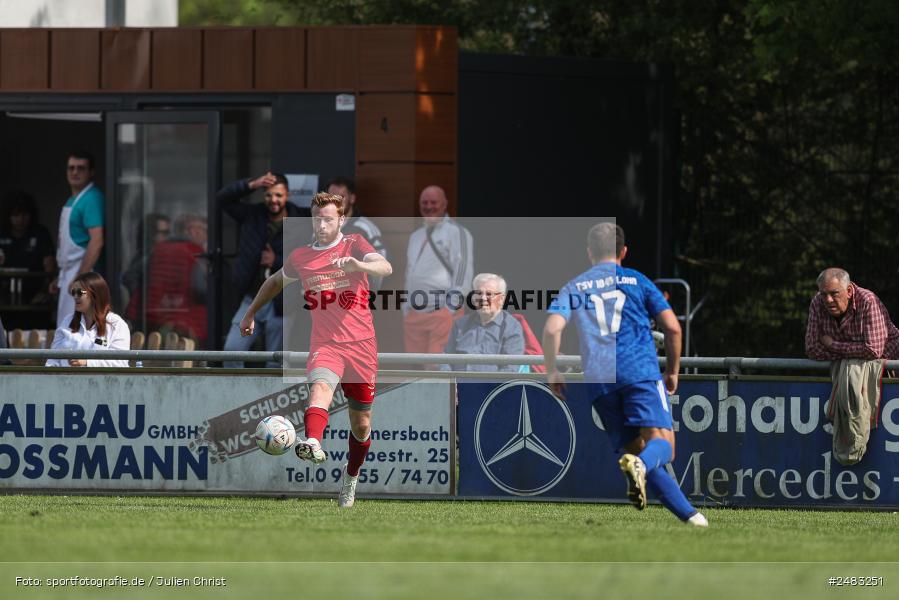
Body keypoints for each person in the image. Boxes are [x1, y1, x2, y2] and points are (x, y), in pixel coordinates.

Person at [542, 223, 707, 527]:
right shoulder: (639, 281)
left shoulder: (575, 285)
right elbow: (672, 327)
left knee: (639, 452)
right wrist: (672, 371)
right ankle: (642, 468)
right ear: (624, 251)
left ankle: (693, 518)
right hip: (638, 371)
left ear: (590, 252)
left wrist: (552, 369)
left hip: (600, 382)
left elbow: (552, 328)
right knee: (663, 447)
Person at [238, 192, 392, 508]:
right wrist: (250, 312)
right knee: (320, 387)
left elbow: (385, 267)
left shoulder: (354, 244)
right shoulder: (302, 256)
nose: (322, 224)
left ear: (342, 220)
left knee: (361, 424)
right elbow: (275, 283)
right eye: (317, 218)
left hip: (362, 346)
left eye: (328, 219)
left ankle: (350, 480)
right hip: (326, 344)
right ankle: (312, 441)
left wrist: (357, 264)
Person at [219, 172, 309, 367]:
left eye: (278, 195)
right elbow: (223, 199)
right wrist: (252, 184)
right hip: (253, 297)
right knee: (232, 351)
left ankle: (268, 398)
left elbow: (309, 259)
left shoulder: (302, 220)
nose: (273, 200)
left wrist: (276, 260)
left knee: (275, 361)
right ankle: (236, 397)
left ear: (288, 195)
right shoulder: (254, 215)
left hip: (283, 301)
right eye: (268, 195)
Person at [403, 185, 474, 360]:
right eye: (424, 202)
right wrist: (405, 306)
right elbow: (409, 272)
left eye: (433, 202)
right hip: (414, 313)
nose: (428, 206)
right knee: (415, 369)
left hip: (443, 311)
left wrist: (450, 309)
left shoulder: (457, 232)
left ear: (444, 204)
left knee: (437, 366)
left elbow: (463, 270)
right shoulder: (416, 236)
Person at [50, 151, 105, 327]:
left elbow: (96, 241)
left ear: (91, 172)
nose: (75, 172)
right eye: (71, 168)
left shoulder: (92, 199)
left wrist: (79, 279)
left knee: (77, 331)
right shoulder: (73, 199)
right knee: (65, 329)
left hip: (83, 274)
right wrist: (60, 278)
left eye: (81, 168)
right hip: (69, 273)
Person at [805, 267, 899, 360]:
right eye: (823, 294)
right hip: (855, 368)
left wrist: (832, 345)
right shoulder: (817, 302)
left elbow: (873, 351)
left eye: (834, 293)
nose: (828, 300)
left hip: (890, 366)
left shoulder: (868, 301)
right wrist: (852, 355)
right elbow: (812, 349)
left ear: (849, 291)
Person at [144, 215, 208, 345]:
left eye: (204, 229)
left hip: (156, 315)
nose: (202, 233)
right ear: (188, 231)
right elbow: (201, 289)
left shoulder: (158, 249)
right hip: (189, 319)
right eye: (200, 229)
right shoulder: (196, 253)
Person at [442, 273, 524, 372]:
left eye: (489, 294)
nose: (483, 298)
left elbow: (510, 369)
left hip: (491, 385)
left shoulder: (511, 328)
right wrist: (450, 383)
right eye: (479, 293)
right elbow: (446, 360)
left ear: (501, 299)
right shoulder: (460, 324)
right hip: (457, 384)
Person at [46, 271, 130, 368]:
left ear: (95, 294)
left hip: (102, 382)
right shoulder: (67, 321)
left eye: (79, 292)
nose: (75, 296)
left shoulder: (116, 324)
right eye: (73, 292)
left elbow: (121, 363)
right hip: (65, 381)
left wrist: (87, 362)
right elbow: (52, 360)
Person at [326, 176, 388, 291]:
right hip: (326, 301)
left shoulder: (366, 228)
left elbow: (381, 262)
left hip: (356, 300)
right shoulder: (321, 228)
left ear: (352, 198)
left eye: (341, 197)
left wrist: (371, 294)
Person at [0, 189, 56, 304]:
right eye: (15, 215)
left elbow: (49, 265)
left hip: (36, 297)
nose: (20, 219)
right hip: (4, 297)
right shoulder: (1, 233)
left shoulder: (40, 233)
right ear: (8, 215)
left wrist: (44, 292)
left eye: (24, 215)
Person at [123, 213, 171, 328]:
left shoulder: (161, 253)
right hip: (147, 315)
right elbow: (129, 277)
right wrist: (144, 297)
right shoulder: (148, 256)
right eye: (163, 233)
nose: (167, 237)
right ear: (151, 234)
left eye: (168, 233)